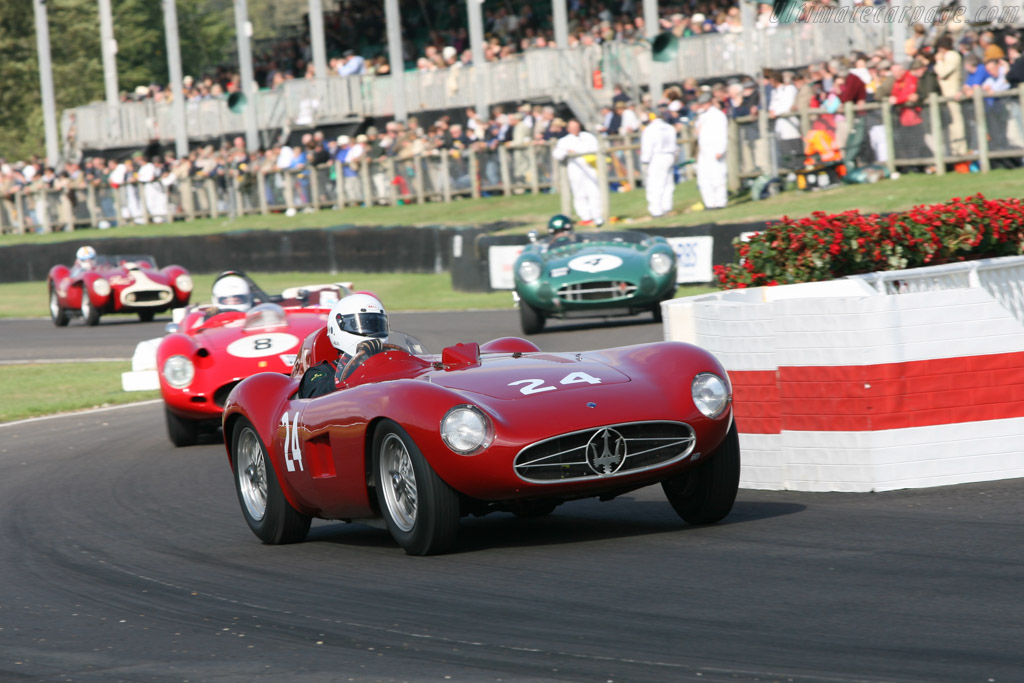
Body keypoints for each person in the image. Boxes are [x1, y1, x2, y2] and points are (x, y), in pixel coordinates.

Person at [298, 294, 391, 399]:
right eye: (365, 326)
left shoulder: (389, 365)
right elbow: (315, 400)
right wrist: (356, 365)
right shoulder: (322, 372)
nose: (372, 334)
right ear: (337, 326)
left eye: (377, 325)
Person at [551, 119, 603, 226]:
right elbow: (557, 154)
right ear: (568, 129)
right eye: (572, 127)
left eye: (576, 127)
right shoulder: (564, 141)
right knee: (579, 193)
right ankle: (585, 217)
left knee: (594, 192)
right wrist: (567, 152)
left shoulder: (588, 137)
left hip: (590, 168)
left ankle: (597, 215)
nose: (575, 129)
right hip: (575, 170)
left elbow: (596, 149)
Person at [639, 103, 679, 218]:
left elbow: (647, 147)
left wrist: (645, 161)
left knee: (655, 184)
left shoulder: (650, 129)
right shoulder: (670, 128)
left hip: (657, 157)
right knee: (668, 183)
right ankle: (666, 207)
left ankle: (656, 210)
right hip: (669, 156)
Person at [694, 93, 728, 210]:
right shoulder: (702, 116)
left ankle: (720, 202)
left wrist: (720, 150)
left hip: (715, 148)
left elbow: (722, 133)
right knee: (704, 178)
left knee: (718, 177)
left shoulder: (718, 115)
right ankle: (709, 203)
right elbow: (697, 132)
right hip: (704, 150)